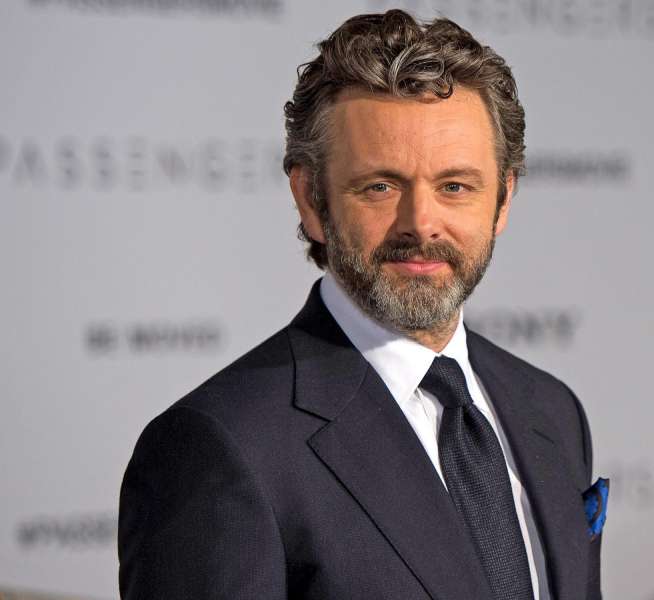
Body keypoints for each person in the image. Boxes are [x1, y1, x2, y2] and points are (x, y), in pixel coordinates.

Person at [118, 9, 604, 600]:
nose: (421, 223)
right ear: (311, 199)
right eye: (381, 186)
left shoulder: (552, 411)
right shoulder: (219, 447)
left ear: (502, 199)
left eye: (455, 186)